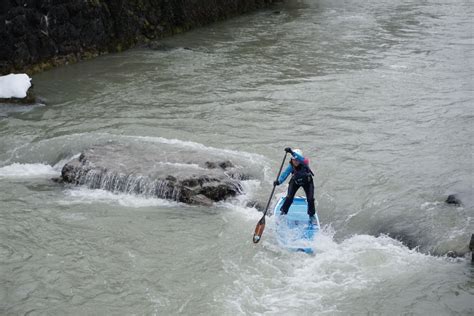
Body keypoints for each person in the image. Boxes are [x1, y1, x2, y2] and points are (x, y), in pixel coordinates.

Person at [274, 147, 316, 223]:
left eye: (297, 160)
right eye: (293, 160)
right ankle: (283, 213)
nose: (295, 162)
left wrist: (291, 152)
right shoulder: (291, 166)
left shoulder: (305, 162)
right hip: (295, 182)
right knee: (289, 197)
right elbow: (284, 174)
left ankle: (311, 215)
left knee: (310, 199)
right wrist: (278, 182)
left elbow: (300, 158)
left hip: (308, 182)